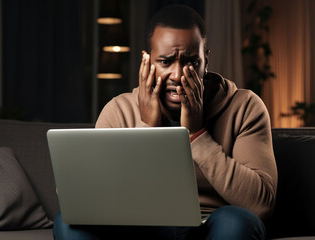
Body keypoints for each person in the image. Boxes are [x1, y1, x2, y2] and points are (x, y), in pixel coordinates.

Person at [53, 4, 277, 240]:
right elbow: (81, 198)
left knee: (237, 223)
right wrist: (147, 129)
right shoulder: (119, 110)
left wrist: (197, 134)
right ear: (147, 60)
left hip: (211, 224)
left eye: (191, 61)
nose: (178, 75)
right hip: (139, 226)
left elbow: (260, 204)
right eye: (166, 61)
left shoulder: (244, 107)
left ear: (206, 60)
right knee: (67, 223)